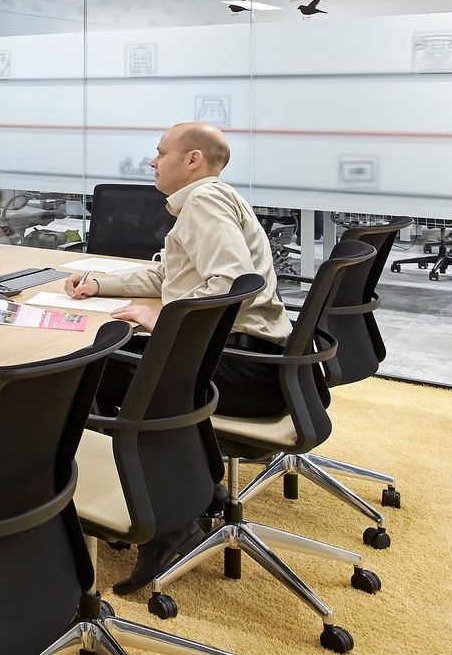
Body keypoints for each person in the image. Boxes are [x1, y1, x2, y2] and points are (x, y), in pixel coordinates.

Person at [63, 121, 293, 590]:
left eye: (160, 152)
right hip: (252, 358)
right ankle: (189, 491)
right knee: (117, 368)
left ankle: (168, 521)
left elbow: (230, 286)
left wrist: (163, 317)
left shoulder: (205, 201)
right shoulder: (206, 202)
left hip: (244, 364)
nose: (152, 161)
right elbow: (169, 277)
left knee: (103, 373)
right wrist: (98, 283)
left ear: (192, 160)